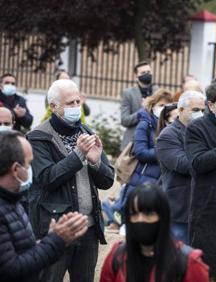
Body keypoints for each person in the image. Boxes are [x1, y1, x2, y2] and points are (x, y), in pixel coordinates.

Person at [27, 79, 114, 282]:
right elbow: (46, 179)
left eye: (77, 102)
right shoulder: (38, 137)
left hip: (88, 228)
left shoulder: (87, 133)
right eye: (70, 103)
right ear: (53, 106)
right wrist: (77, 156)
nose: (76, 107)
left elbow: (108, 181)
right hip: (56, 229)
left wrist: (95, 163)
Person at [0, 131, 88, 282]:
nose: (31, 170)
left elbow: (21, 250)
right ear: (15, 169)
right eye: (29, 164)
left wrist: (50, 237)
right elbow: (11, 269)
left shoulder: (14, 200)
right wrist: (56, 241)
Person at [100, 183, 209, 282]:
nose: (140, 219)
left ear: (163, 217)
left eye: (148, 214)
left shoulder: (189, 262)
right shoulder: (117, 256)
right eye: (134, 214)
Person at [156, 91, 206, 244]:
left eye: (204, 111)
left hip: (202, 210)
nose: (201, 114)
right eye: (196, 110)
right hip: (179, 211)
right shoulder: (168, 135)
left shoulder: (204, 133)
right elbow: (186, 165)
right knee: (177, 262)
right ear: (181, 110)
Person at [185, 81, 216, 280]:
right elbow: (197, 162)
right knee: (207, 272)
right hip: (209, 215)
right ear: (211, 105)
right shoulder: (197, 129)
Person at [122, 89, 173, 203]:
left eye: (167, 106)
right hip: (143, 177)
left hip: (160, 180)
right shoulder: (145, 123)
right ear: (153, 105)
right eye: (161, 105)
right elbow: (140, 152)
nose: (163, 108)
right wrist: (165, 153)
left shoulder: (168, 125)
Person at [120, 61, 158, 150]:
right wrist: (143, 110)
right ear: (136, 76)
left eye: (148, 72)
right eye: (143, 73)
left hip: (154, 142)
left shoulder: (157, 91)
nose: (146, 74)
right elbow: (124, 120)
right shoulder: (128, 93)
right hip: (133, 143)